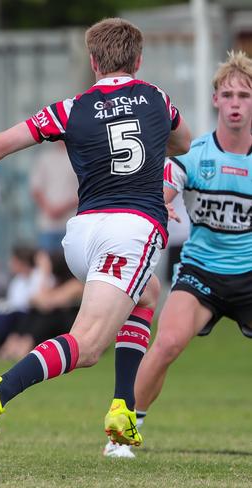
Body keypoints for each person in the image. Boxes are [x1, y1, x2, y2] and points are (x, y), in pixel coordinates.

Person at [0, 17, 191, 460]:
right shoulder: (156, 98)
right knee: (89, 345)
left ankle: (122, 407)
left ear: (94, 62)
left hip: (81, 237)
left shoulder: (70, 108)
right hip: (130, 231)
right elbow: (184, 142)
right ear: (138, 60)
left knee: (146, 292)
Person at [105, 51, 252, 459]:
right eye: (229, 94)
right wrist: (162, 205)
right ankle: (121, 435)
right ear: (215, 100)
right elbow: (162, 192)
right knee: (167, 343)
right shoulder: (195, 154)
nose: (236, 103)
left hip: (249, 271)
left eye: (245, 94)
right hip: (201, 270)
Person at [30, 141, 78, 254]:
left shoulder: (79, 158)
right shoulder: (45, 158)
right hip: (47, 224)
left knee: (68, 267)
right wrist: (49, 208)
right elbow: (36, 189)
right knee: (46, 264)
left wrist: (63, 208)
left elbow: (84, 190)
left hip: (71, 224)